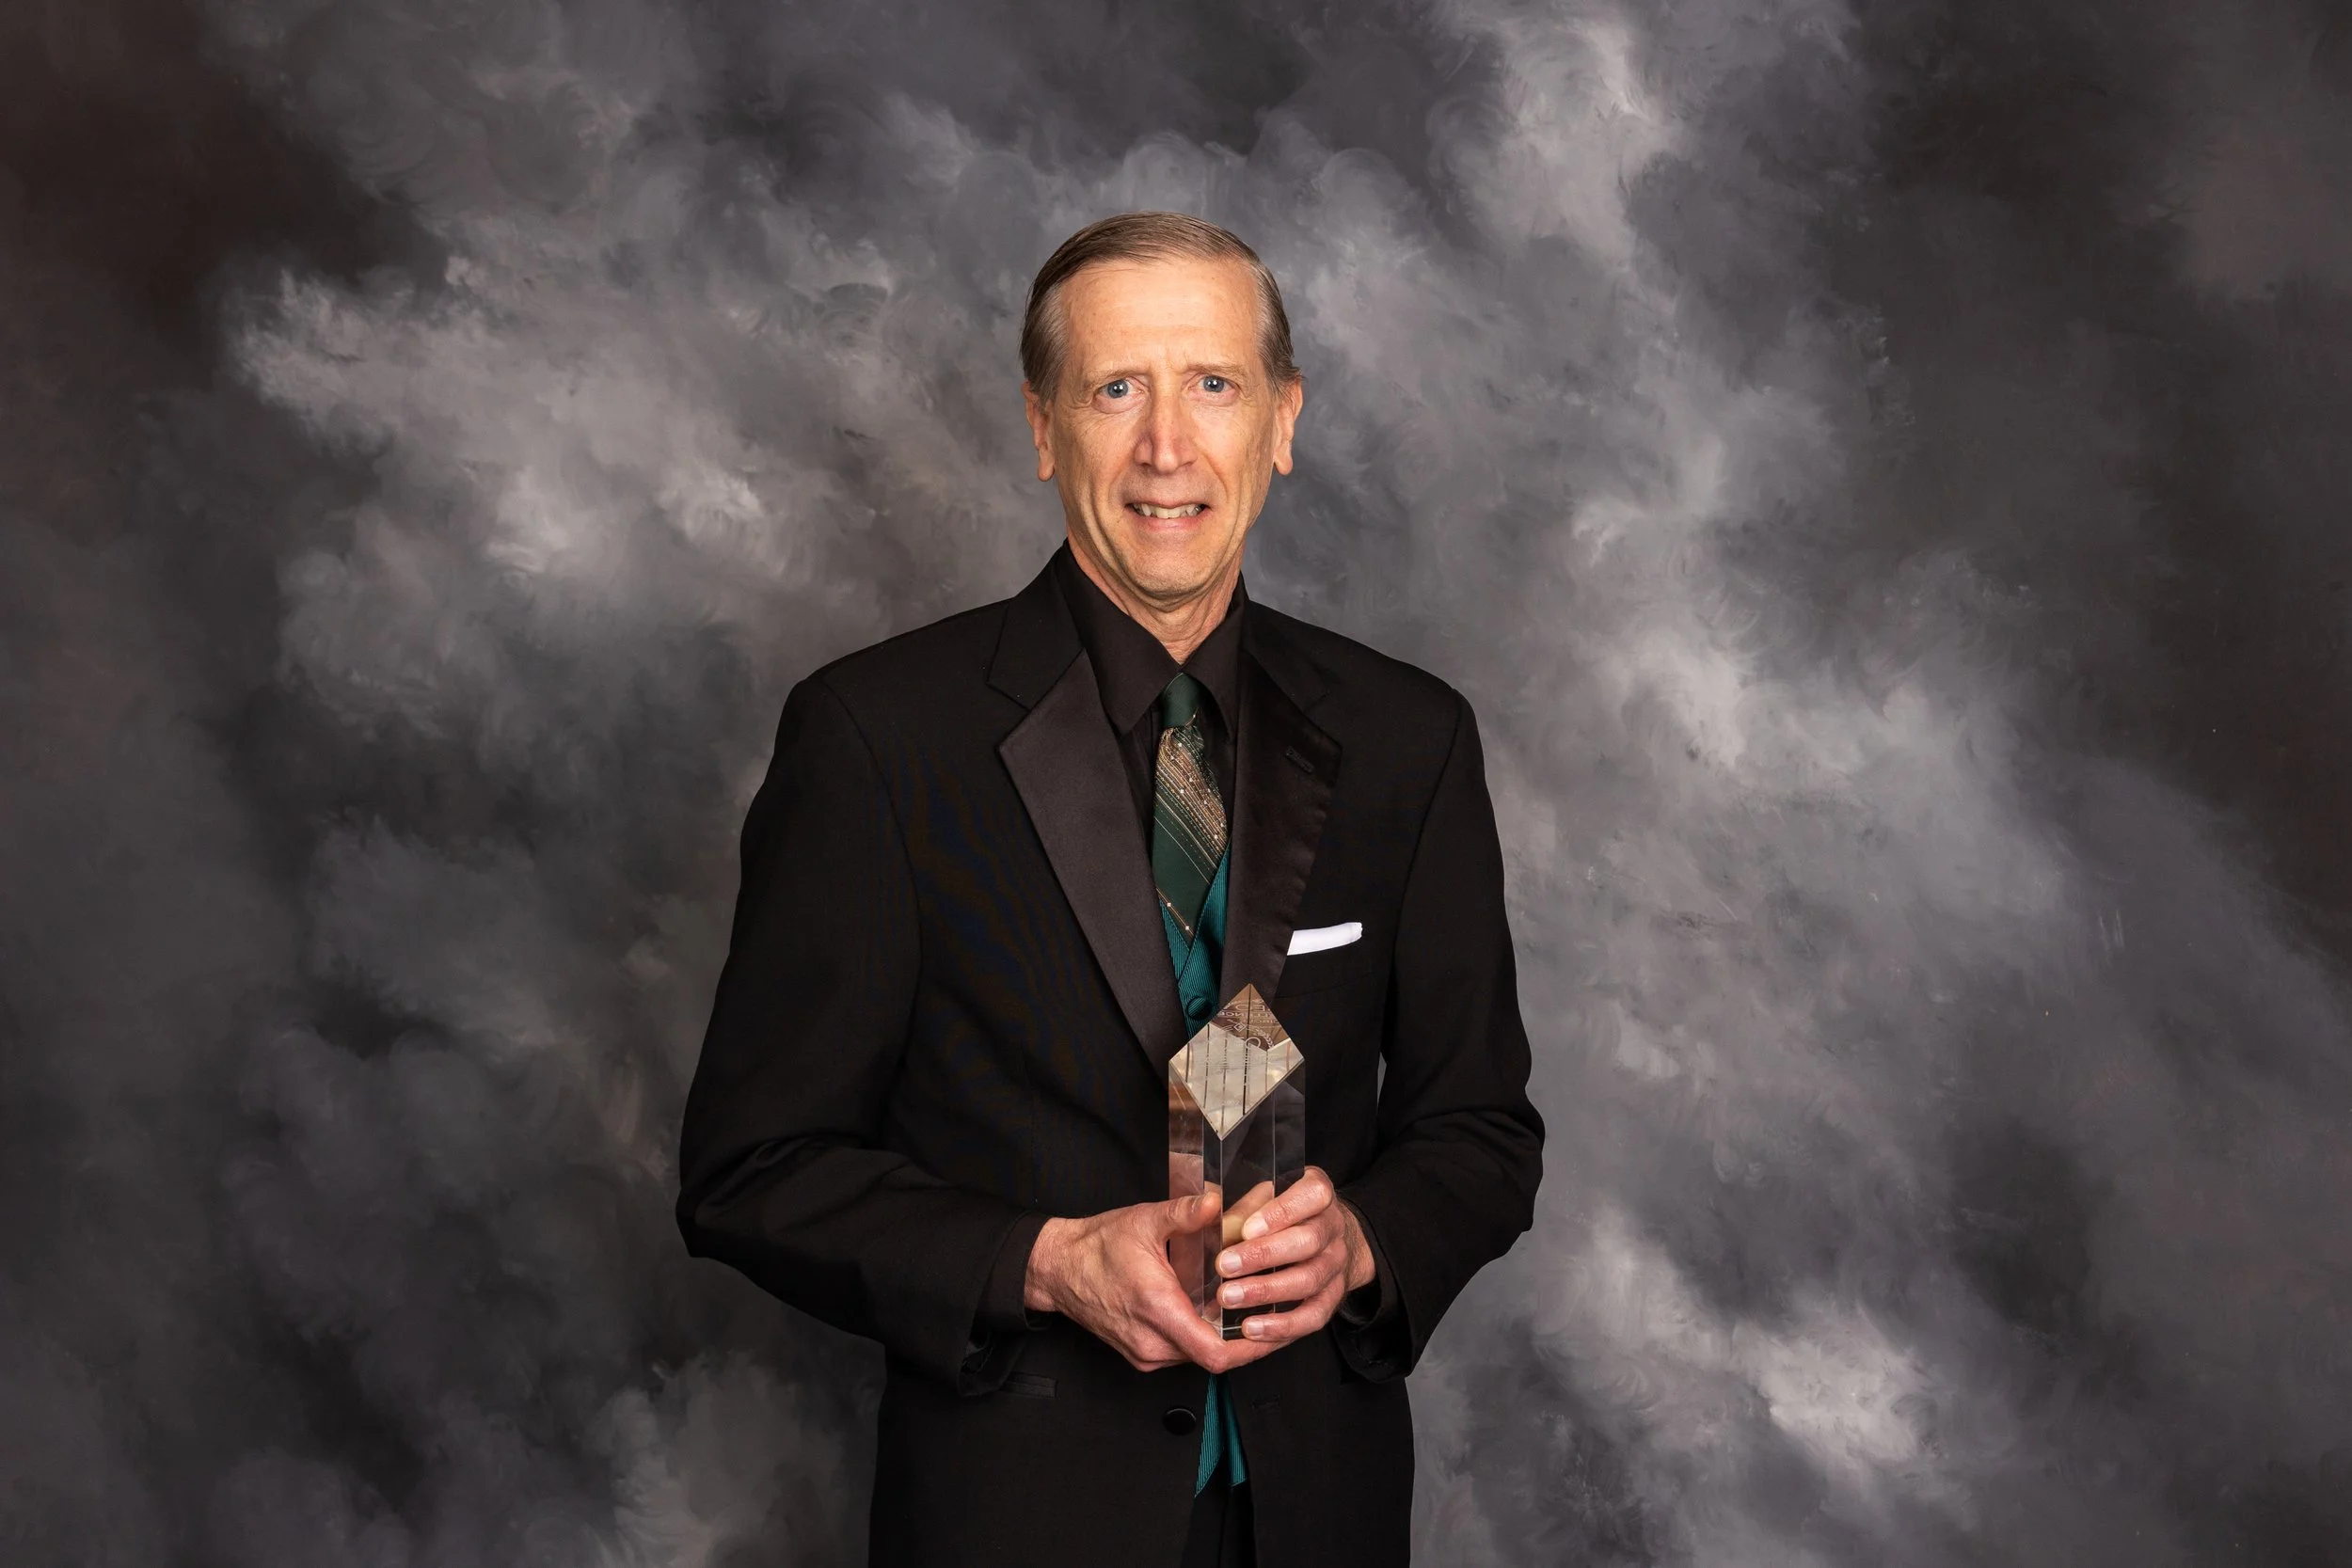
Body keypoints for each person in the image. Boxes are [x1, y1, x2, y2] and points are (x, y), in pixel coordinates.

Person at [676, 212, 1543, 1568]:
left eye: (1213, 384)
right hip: (1016, 1522)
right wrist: (1045, 1261)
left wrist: (1364, 1239)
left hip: (1321, 1518)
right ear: (1042, 428)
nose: (1166, 447)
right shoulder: (876, 739)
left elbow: (1483, 1131)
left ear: (1283, 419)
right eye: (1114, 388)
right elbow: (752, 1171)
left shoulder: (1410, 740)